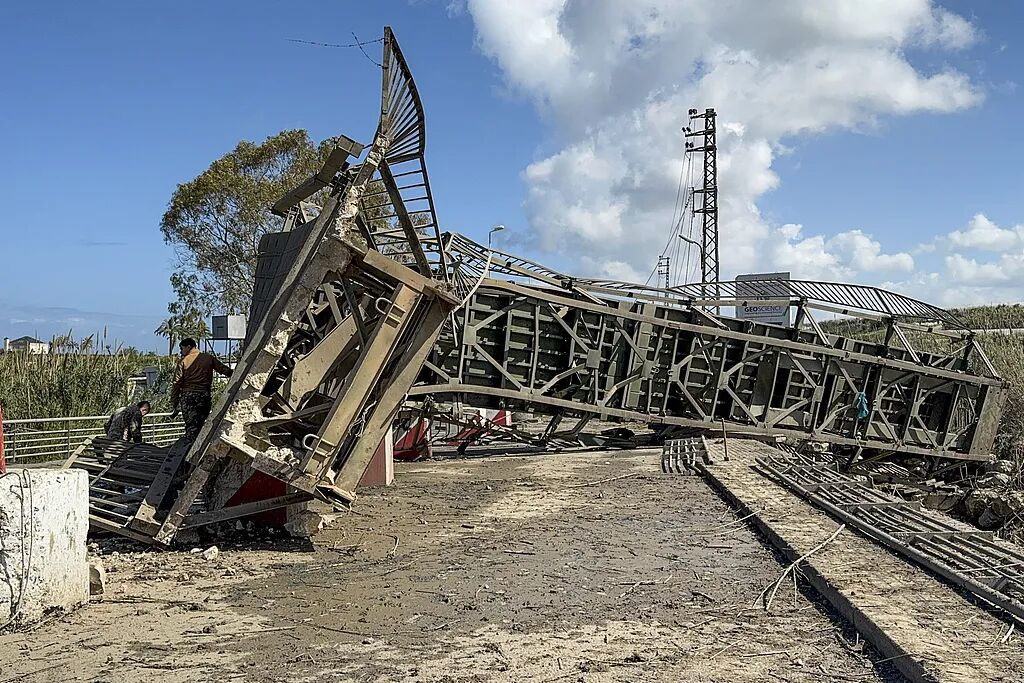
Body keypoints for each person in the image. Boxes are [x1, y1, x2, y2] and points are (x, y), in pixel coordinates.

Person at [170, 338, 232, 443]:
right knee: (201, 424)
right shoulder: (208, 358)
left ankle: (190, 447)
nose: (181, 352)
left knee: (191, 426)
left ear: (189, 347)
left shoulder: (183, 361)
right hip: (204, 396)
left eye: (182, 348)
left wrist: (174, 401)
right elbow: (224, 370)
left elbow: (176, 383)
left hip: (188, 397)